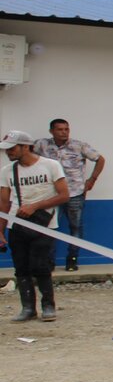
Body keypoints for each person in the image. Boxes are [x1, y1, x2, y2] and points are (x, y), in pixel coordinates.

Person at [0, 130, 70, 322]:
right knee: (21, 267)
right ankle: (28, 308)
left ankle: (48, 306)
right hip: (17, 226)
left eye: (12, 148)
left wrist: (35, 206)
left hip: (44, 224)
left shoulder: (50, 166)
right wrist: (1, 230)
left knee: (40, 265)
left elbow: (64, 195)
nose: (8, 152)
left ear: (25, 146)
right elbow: (4, 203)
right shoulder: (7, 171)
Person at [34, 118, 104, 272]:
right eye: (60, 129)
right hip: (52, 194)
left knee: (75, 227)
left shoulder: (79, 146)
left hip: (74, 193)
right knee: (49, 227)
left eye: (66, 129)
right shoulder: (42, 145)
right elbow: (28, 157)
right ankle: (48, 261)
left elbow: (100, 159)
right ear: (51, 131)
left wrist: (91, 180)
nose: (64, 132)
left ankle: (72, 260)